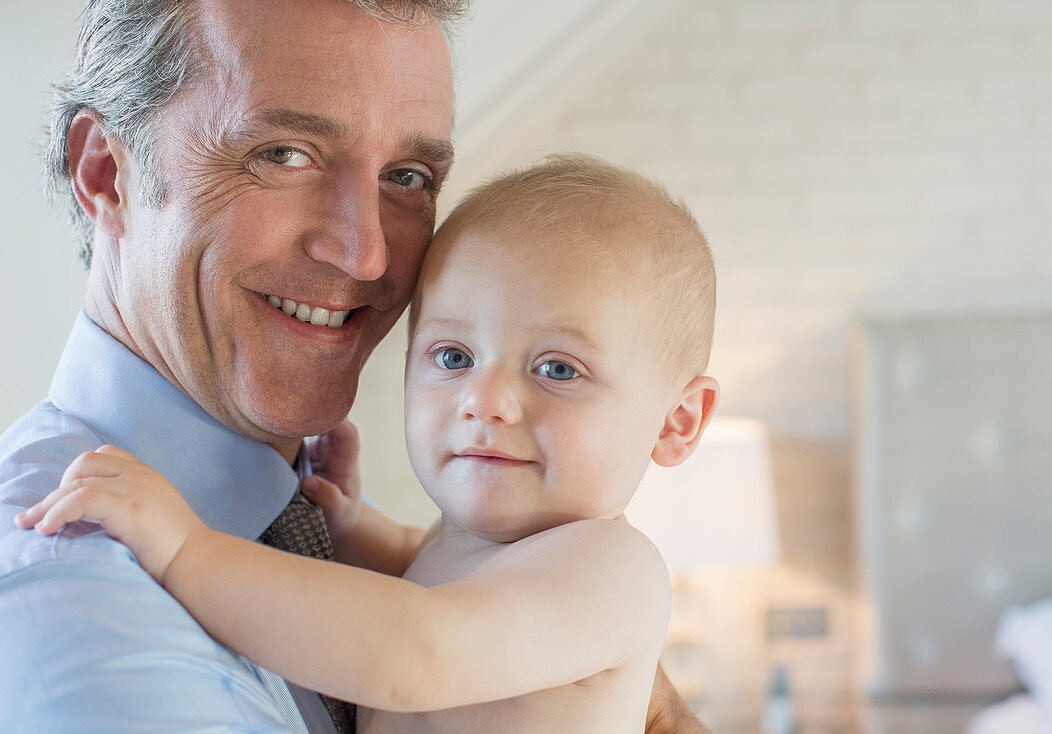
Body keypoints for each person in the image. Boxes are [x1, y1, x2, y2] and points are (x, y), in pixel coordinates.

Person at [0, 1, 710, 732]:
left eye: (406, 175)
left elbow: (417, 638)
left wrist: (320, 524)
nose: (366, 253)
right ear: (103, 172)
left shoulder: (557, 573)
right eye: (283, 153)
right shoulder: (77, 592)